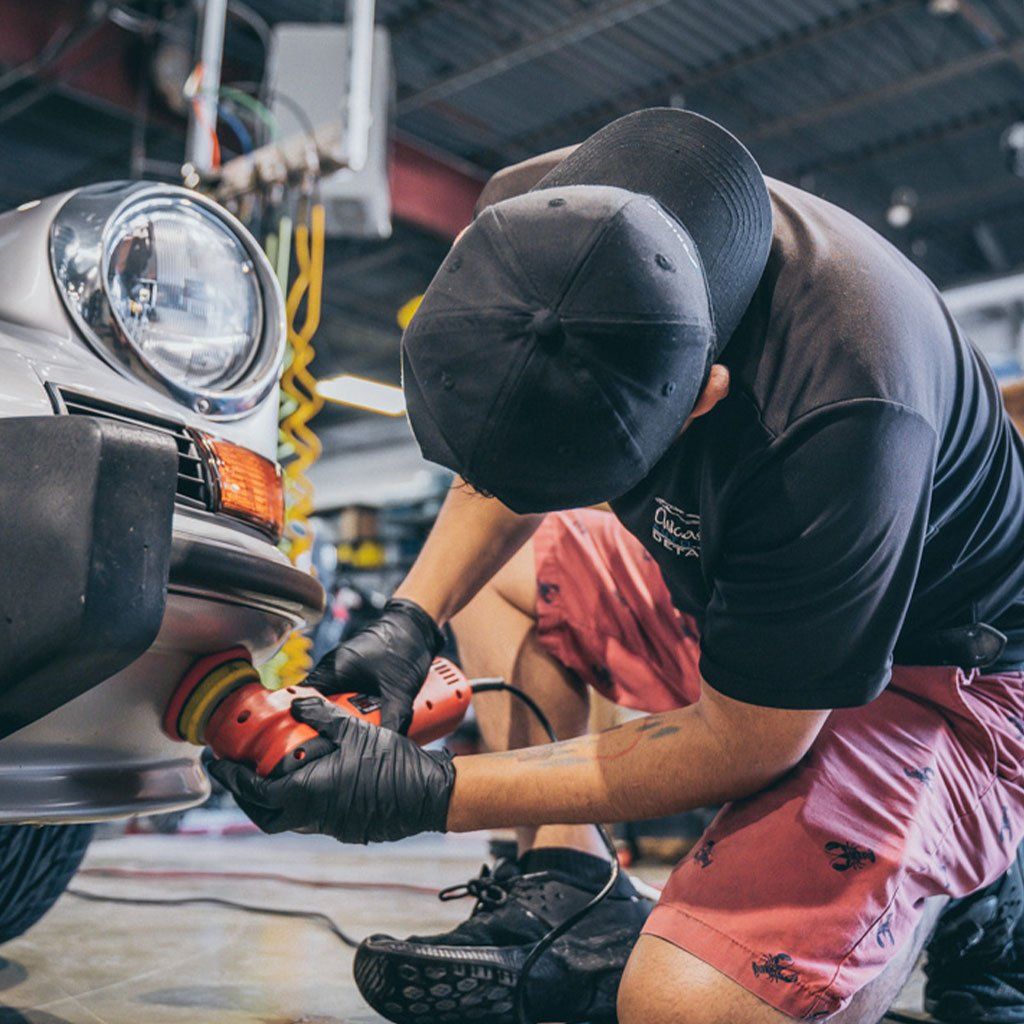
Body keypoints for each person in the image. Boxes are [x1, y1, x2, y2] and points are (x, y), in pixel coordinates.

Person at [210, 109, 1024, 1024]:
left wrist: (427, 794)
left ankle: (976, 881)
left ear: (702, 398)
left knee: (684, 1009)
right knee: (510, 586)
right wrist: (408, 621)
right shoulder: (536, 218)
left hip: (942, 680)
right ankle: (575, 891)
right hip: (745, 613)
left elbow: (749, 740)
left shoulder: (844, 403)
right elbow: (513, 452)